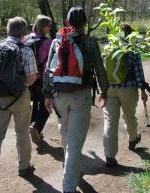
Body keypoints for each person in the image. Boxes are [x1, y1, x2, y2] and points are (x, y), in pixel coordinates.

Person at [43, 7, 109, 193]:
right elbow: (99, 69)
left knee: (65, 134)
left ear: (67, 22)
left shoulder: (57, 41)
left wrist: (47, 95)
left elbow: (48, 70)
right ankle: (69, 186)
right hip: (81, 96)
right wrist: (104, 91)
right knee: (74, 140)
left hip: (58, 96)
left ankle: (70, 171)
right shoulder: (89, 42)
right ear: (85, 23)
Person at [0, 16, 38, 193]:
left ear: (7, 30)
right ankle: (24, 167)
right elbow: (31, 78)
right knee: (21, 132)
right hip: (19, 97)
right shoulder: (25, 50)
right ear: (24, 32)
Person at [103, 23, 148, 167]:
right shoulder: (132, 49)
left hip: (110, 88)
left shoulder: (110, 47)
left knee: (110, 120)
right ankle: (133, 139)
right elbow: (138, 72)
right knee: (129, 116)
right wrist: (143, 90)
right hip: (128, 89)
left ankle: (109, 156)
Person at [23, 15, 53, 146]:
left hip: (28, 78)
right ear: (45, 27)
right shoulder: (49, 43)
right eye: (49, 26)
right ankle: (36, 127)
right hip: (42, 78)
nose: (50, 28)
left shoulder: (25, 39)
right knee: (46, 105)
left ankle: (33, 127)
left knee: (35, 103)